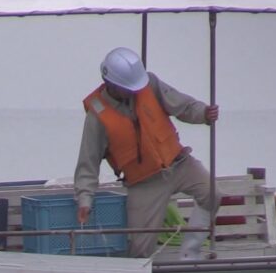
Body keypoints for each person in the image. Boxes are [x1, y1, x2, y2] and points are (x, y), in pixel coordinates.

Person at [74, 47, 220, 260]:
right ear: (111, 84)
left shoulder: (149, 85)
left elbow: (184, 106)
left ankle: (191, 253)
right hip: (144, 182)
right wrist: (85, 199)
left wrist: (204, 114)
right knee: (139, 248)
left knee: (212, 193)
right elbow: (88, 160)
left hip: (179, 163)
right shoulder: (97, 115)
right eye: (127, 88)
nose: (134, 91)